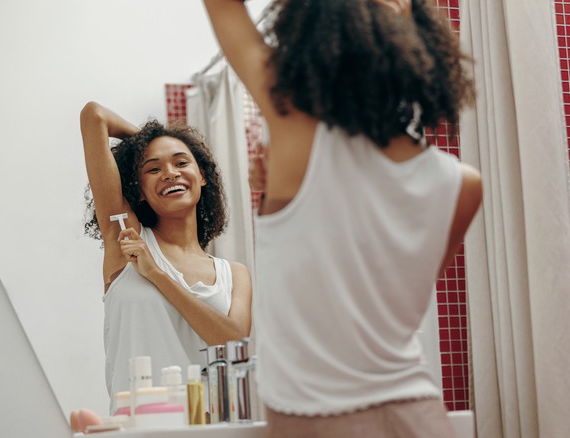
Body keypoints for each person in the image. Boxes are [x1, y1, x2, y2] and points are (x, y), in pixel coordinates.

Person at [203, 0, 482, 437]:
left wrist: (284, 179)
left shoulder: (293, 122)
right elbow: (385, 294)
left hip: (320, 423)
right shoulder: (462, 186)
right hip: (421, 416)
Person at [78, 102, 253, 418]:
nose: (170, 173)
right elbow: (94, 117)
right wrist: (149, 140)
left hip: (214, 428)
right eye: (153, 168)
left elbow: (231, 342)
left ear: (202, 176)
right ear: (140, 190)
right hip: (141, 429)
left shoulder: (234, 274)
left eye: (181, 162)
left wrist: (157, 275)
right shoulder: (125, 239)